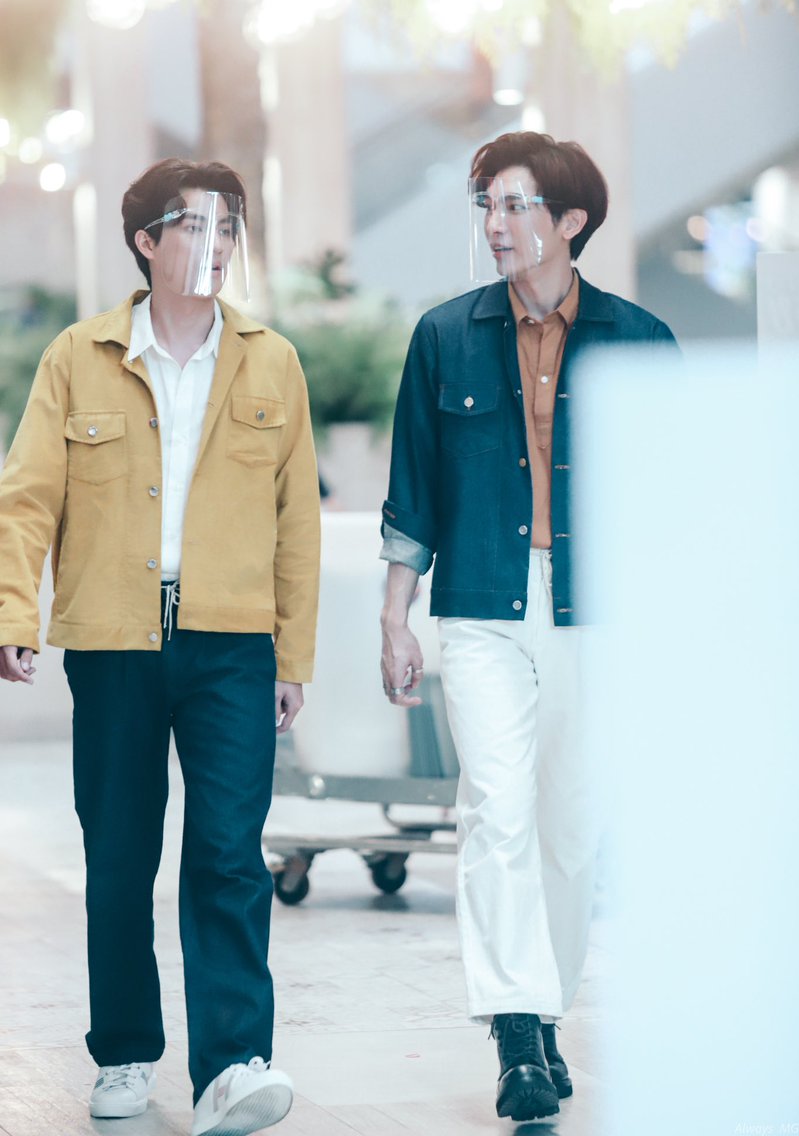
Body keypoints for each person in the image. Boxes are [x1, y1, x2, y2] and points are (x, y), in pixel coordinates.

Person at [0, 159, 320, 1136]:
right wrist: (13, 613)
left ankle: (233, 1064)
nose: (217, 246)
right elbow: (27, 496)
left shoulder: (272, 360)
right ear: (146, 240)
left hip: (233, 645)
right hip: (113, 642)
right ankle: (125, 1051)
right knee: (119, 854)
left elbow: (295, 521)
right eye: (195, 225)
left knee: (228, 855)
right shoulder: (78, 355)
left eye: (230, 227)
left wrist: (292, 656)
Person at [379, 131, 678, 1121]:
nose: (495, 225)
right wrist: (394, 617)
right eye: (486, 207)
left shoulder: (639, 340)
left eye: (513, 205)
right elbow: (414, 490)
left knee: (571, 828)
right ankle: (514, 1028)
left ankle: (543, 1010)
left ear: (570, 220)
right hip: (481, 606)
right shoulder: (445, 335)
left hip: (599, 612)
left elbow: (671, 503)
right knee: (494, 812)